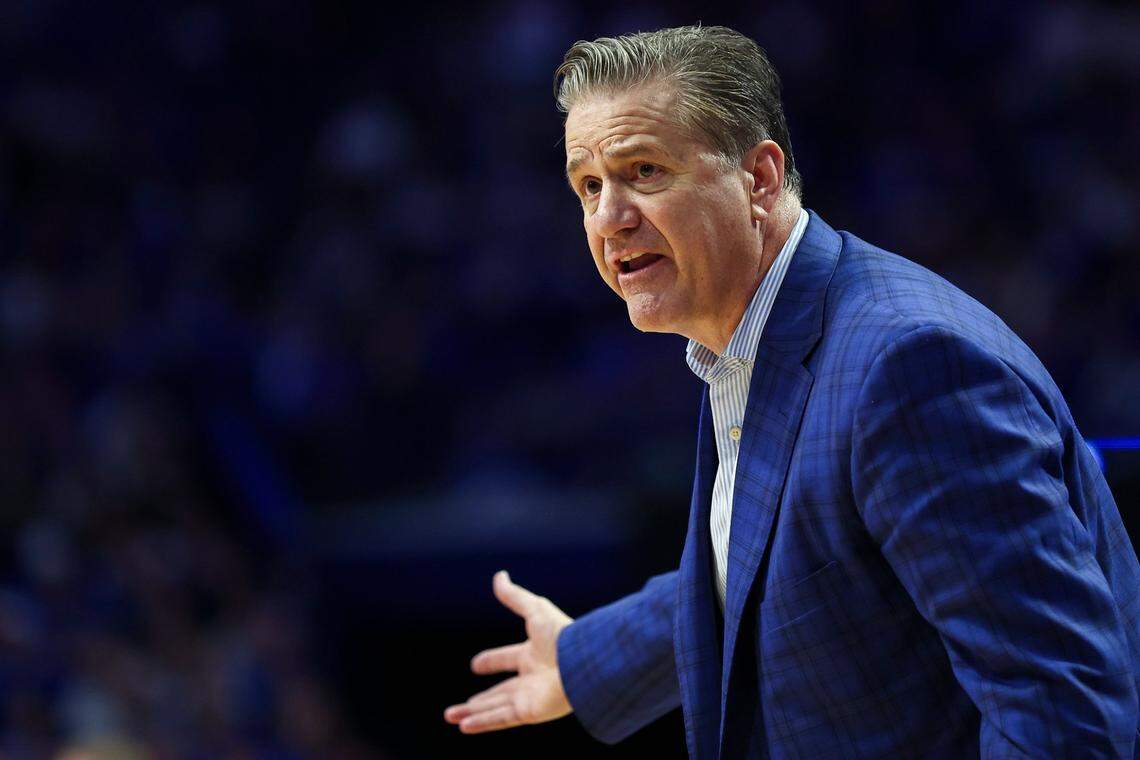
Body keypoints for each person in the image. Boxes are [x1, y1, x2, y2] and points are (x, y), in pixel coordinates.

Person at [443, 25, 1140, 758]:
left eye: (643, 171)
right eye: (589, 186)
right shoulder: (751, 337)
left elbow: (1061, 715)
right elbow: (773, 563)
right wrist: (584, 660)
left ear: (761, 179)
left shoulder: (908, 368)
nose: (609, 219)